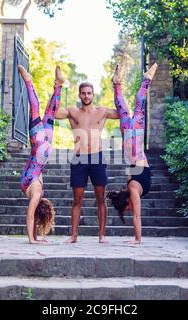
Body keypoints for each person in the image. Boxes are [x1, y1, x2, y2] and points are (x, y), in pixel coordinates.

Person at [55, 82, 119, 243]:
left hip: (97, 157)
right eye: (83, 93)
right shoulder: (72, 112)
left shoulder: (102, 111)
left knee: (100, 198)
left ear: (93, 94)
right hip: (79, 158)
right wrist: (57, 87)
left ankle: (102, 235)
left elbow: (123, 112)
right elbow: (52, 113)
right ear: (79, 95)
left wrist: (117, 86)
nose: (86, 96)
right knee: (77, 199)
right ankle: (74, 235)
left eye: (89, 93)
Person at [106, 63, 158, 245]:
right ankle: (118, 84)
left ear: (127, 200)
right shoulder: (132, 185)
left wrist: (137, 240)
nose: (130, 209)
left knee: (134, 107)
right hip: (133, 143)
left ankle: (141, 81)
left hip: (133, 144)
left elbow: (137, 216)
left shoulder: (134, 190)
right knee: (129, 108)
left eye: (126, 207)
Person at [18, 64, 65, 244]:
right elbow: (34, 216)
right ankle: (57, 86)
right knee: (46, 113)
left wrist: (32, 240)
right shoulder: (33, 190)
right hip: (39, 151)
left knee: (42, 112)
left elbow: (30, 217)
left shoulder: (37, 192)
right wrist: (37, 236)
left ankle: (35, 82)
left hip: (42, 149)